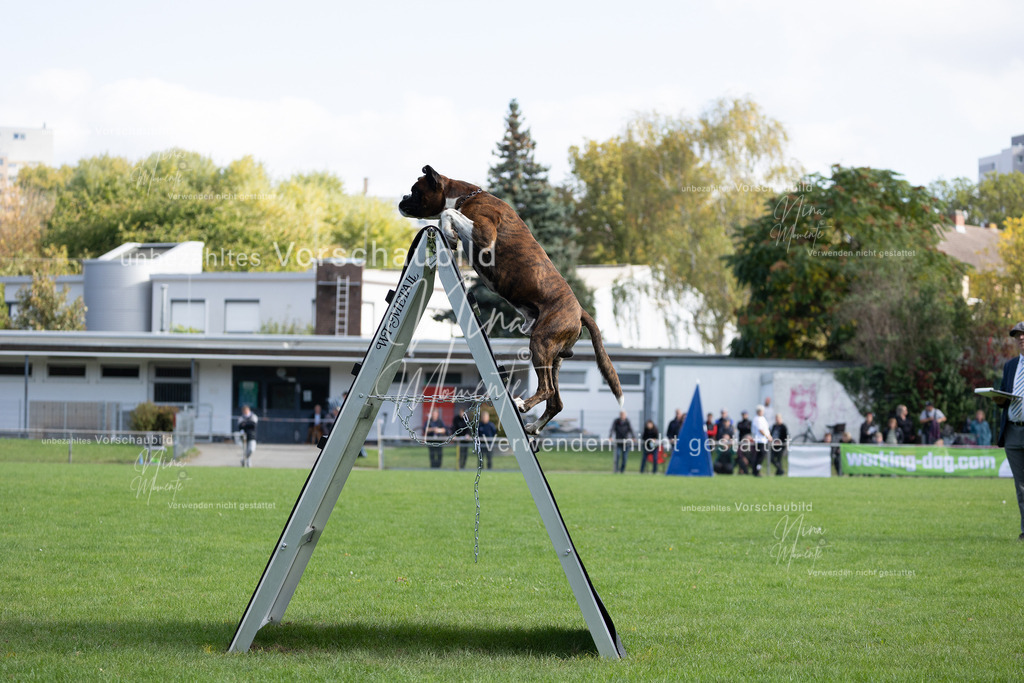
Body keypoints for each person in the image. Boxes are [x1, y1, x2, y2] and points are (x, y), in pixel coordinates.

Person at [993, 321, 1024, 540]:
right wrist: (998, 399)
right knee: (1021, 486)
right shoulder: (1010, 366)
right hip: (1013, 431)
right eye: (1017, 336)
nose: (1021, 338)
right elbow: (1005, 397)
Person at [751, 405, 771, 476]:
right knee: (760, 456)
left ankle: (756, 469)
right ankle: (756, 470)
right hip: (759, 440)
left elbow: (766, 429)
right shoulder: (757, 419)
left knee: (761, 456)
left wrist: (769, 436)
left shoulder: (762, 418)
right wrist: (767, 436)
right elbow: (760, 430)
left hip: (764, 440)